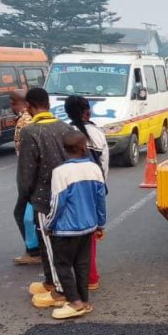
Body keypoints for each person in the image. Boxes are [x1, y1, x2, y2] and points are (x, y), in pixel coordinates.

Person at [17, 87, 75, 308]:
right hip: (67, 194)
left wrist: (24, 197)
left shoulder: (31, 132)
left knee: (50, 243)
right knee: (51, 241)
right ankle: (51, 282)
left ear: (30, 107)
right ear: (48, 104)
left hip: (44, 197)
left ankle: (59, 292)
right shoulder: (65, 127)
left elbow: (26, 172)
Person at [40, 131, 107, 320]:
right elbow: (100, 199)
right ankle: (84, 301)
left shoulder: (60, 172)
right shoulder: (94, 168)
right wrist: (100, 224)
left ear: (64, 149)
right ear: (84, 147)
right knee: (82, 264)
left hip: (65, 229)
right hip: (89, 226)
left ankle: (74, 302)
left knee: (62, 264)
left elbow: (57, 203)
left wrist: (49, 224)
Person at [64, 95, 109, 292]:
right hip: (93, 187)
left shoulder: (65, 133)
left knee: (68, 236)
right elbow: (105, 163)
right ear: (87, 112)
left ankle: (70, 280)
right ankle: (91, 277)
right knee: (89, 234)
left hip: (70, 189)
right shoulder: (97, 133)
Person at [11, 89, 41, 265]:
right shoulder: (29, 119)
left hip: (30, 175)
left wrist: (26, 181)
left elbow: (28, 154)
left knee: (22, 214)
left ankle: (33, 251)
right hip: (36, 174)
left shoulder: (25, 122)